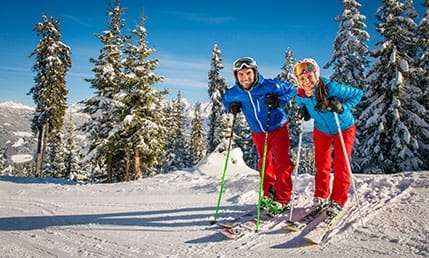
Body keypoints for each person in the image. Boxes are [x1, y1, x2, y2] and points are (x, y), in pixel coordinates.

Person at [222, 56, 296, 215]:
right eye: (240, 75)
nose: (245, 78)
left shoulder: (269, 85)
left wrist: (279, 100)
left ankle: (283, 198)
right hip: (258, 132)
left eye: (248, 73)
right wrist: (232, 107)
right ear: (236, 76)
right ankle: (269, 193)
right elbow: (225, 100)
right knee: (265, 162)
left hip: (278, 127)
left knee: (282, 162)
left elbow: (291, 89)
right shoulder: (234, 92)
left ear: (255, 72)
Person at [293, 58, 363, 220]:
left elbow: (358, 93)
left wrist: (342, 107)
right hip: (321, 130)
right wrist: (304, 112)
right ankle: (321, 196)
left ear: (316, 75)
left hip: (343, 127)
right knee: (321, 165)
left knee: (340, 164)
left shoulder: (331, 87)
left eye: (310, 77)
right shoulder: (301, 94)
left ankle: (338, 199)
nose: (307, 81)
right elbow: (301, 104)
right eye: (302, 79)